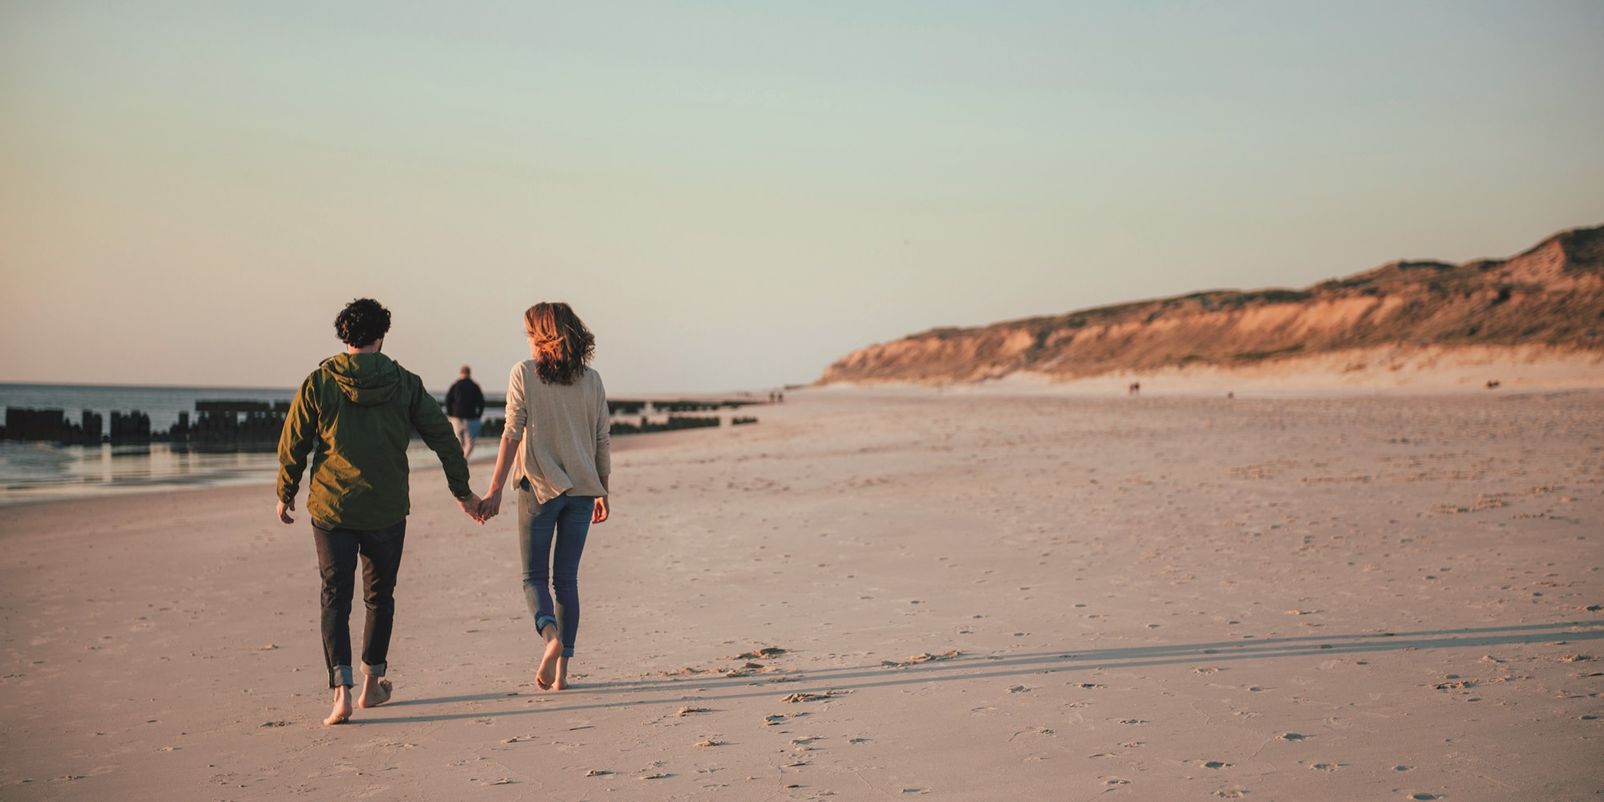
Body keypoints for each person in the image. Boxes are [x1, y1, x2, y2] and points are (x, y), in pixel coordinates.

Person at [275, 298, 483, 725]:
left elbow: (293, 439)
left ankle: (341, 692)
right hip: (386, 508)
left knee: (335, 596)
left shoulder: (319, 382)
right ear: (381, 336)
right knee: (378, 597)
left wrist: (286, 490)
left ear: (344, 337)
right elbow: (444, 436)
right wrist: (462, 492)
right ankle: (372, 685)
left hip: (332, 507)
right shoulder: (404, 382)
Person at [477, 302, 611, 691]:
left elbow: (511, 433)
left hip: (539, 487)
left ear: (542, 335)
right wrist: (604, 489)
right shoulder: (592, 379)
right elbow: (602, 438)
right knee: (567, 580)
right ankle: (562, 676)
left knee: (534, 577)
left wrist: (494, 490)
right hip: (585, 490)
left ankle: (550, 638)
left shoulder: (524, 374)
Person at [445, 365, 486, 459]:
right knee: (469, 443)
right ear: (469, 373)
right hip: (470, 417)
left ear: (461, 373)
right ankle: (463, 459)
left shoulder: (455, 385)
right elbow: (481, 402)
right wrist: (478, 415)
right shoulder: (474, 386)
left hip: (456, 417)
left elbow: (448, 400)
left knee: (458, 440)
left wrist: (450, 414)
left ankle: (459, 460)